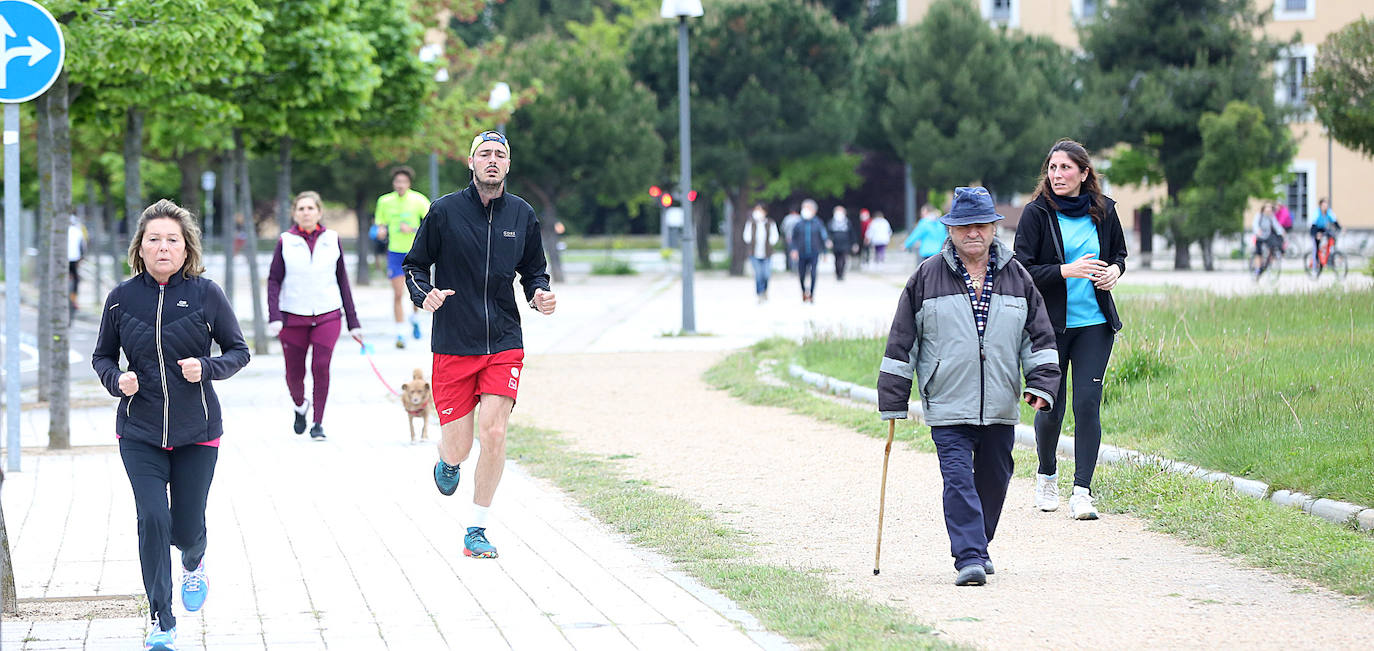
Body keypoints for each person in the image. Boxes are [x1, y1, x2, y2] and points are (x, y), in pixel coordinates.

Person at [878, 186, 1059, 586]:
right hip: (947, 402)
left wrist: (1042, 384)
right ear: (951, 229)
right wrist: (894, 397)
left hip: (999, 401)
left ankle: (979, 542)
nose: (973, 233)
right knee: (958, 478)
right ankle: (970, 557)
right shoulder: (926, 276)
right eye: (964, 226)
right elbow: (901, 341)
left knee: (996, 477)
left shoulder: (1018, 276)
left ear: (994, 228)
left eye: (981, 225)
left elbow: (1040, 338)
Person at [91, 199, 251, 651]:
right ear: (140, 247)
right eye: (154, 239)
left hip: (197, 432)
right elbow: (101, 354)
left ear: (186, 249)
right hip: (138, 431)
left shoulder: (206, 294)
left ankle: (195, 561)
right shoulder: (121, 298)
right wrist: (114, 379)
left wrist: (207, 366)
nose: (163, 247)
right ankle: (162, 621)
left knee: (185, 530)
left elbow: (239, 351)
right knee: (153, 519)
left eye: (172, 240)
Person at [403, 130, 557, 560]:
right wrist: (425, 295)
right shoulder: (444, 212)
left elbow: (534, 271)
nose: (492, 160)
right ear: (470, 163)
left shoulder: (522, 215)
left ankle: (477, 529)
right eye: (484, 154)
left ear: (508, 165)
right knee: (460, 446)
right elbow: (413, 265)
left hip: (504, 341)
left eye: (500, 154)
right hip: (453, 342)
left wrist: (539, 294)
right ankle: (447, 461)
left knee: (494, 432)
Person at [1013, 138, 1129, 520]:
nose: (1057, 175)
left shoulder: (1105, 211)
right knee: (1051, 404)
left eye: (1065, 168)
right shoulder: (1036, 214)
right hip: (1049, 327)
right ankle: (1047, 475)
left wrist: (1114, 271)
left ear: (1084, 173)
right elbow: (1023, 270)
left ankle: (1083, 491)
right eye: (1052, 168)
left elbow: (1118, 256)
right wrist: (1066, 270)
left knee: (1087, 404)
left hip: (1095, 325)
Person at [266, 191, 362, 440]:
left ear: (319, 212)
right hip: (292, 317)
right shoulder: (285, 241)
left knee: (320, 366)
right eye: (301, 209)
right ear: (294, 213)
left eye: (310, 208)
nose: (306, 212)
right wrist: (274, 316)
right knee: (294, 373)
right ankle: (300, 406)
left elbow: (343, 281)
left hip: (327, 315)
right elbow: (274, 280)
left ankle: (318, 422)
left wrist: (353, 322)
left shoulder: (332, 239)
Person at [374, 166, 430, 349]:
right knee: (398, 294)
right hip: (395, 253)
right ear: (393, 183)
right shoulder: (384, 201)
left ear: (409, 183)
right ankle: (400, 334)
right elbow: (380, 224)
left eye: (403, 182)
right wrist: (381, 231)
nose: (400, 185)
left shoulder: (419, 200)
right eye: (397, 181)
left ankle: (414, 318)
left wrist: (413, 229)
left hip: (415, 253)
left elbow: (431, 224)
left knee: (415, 291)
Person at [788, 199, 830, 303]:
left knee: (813, 273)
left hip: (814, 252)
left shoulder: (818, 223)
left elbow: (823, 238)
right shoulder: (798, 224)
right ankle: (803, 291)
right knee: (801, 274)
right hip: (801, 253)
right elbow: (793, 238)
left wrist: (825, 252)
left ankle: (811, 293)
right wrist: (794, 250)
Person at [741, 203, 779, 302]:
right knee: (758, 274)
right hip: (754, 253)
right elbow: (747, 236)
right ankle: (760, 293)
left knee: (766, 274)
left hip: (767, 253)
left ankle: (765, 290)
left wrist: (771, 242)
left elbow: (774, 237)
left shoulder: (770, 223)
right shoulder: (751, 223)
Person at [1251, 203, 1285, 276]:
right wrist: (1257, 231)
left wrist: (1281, 231)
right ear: (1264, 208)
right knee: (1258, 253)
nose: (1269, 209)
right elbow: (1255, 225)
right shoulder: (1259, 216)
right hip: (1259, 236)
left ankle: (1268, 264)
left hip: (1267, 236)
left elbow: (1276, 225)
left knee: (1272, 248)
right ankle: (1257, 269)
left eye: (1270, 208)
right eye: (1267, 207)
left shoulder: (1271, 216)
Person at [1311, 198, 1341, 266]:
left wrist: (1340, 229)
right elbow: (1313, 225)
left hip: (1323, 229)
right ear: (1320, 206)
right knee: (1316, 245)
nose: (1325, 207)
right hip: (1316, 229)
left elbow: (1335, 222)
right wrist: (1316, 234)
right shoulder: (1317, 213)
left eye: (1326, 205)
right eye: (1324, 205)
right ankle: (1316, 262)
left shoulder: (1329, 212)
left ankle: (1330, 257)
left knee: (1332, 238)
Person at [67, 214, 87, 314]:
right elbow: (82, 247)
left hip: (63, 260)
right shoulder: (78, 231)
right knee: (76, 280)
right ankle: (74, 300)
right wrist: (82, 258)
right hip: (74, 259)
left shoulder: (62, 231)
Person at [829, 205, 852, 280]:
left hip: (845, 244)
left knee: (843, 259)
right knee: (837, 259)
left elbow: (851, 233)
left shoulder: (847, 222)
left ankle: (842, 274)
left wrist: (854, 243)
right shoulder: (832, 222)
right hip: (835, 244)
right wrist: (829, 240)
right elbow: (828, 233)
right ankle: (837, 273)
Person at [780, 207, 802, 272]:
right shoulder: (800, 218)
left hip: (789, 238)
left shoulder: (787, 218)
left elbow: (783, 228)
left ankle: (791, 268)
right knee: (799, 253)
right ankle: (799, 267)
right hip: (799, 239)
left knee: (790, 253)